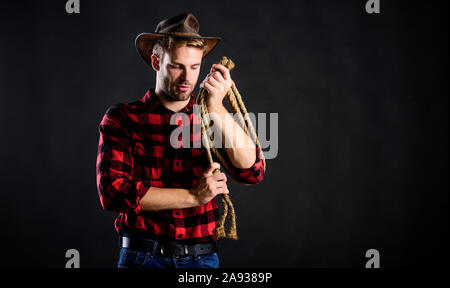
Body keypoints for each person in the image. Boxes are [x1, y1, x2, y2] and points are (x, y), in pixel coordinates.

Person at [96, 12, 264, 268]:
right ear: (156, 62)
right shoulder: (123, 118)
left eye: (194, 67)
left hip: (202, 260)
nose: (187, 78)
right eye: (177, 66)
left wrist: (217, 109)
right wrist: (194, 197)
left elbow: (252, 171)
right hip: (143, 258)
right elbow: (114, 193)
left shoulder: (210, 117)